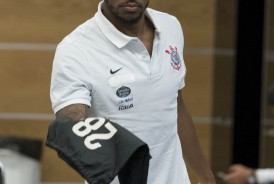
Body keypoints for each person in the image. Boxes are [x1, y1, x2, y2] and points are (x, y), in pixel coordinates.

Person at [50, 0, 216, 183]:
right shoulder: (75, 48)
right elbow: (71, 125)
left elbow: (175, 105)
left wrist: (206, 176)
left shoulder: (170, 26)